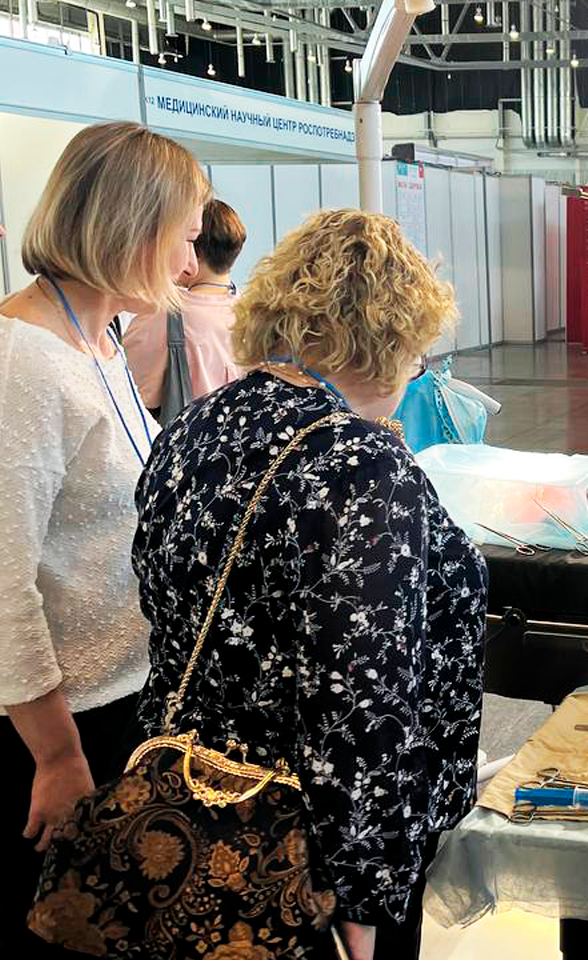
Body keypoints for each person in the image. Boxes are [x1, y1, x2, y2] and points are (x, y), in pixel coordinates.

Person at [131, 208, 488, 960]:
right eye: (417, 357)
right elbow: (359, 699)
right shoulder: (360, 464)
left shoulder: (193, 429)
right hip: (304, 857)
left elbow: (163, 605)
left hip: (185, 815)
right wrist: (362, 896)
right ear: (388, 343)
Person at [0, 122, 208, 958]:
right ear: (133, 229)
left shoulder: (99, 341)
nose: (190, 265)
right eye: (185, 239)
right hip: (56, 727)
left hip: (121, 701)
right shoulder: (26, 362)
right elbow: (3, 581)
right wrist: (56, 754)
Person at [123, 198, 246, 421]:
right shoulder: (254, 312)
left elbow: (131, 393)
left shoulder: (163, 314)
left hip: (189, 437)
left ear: (194, 250)